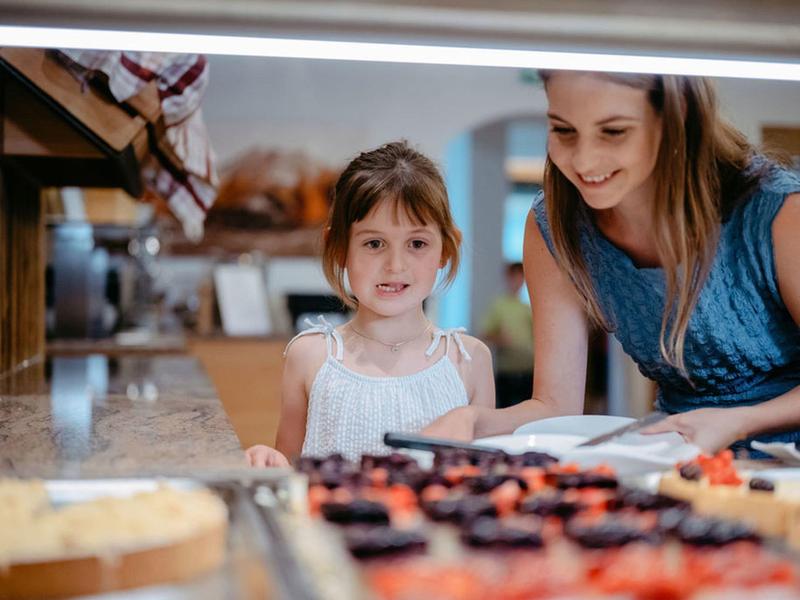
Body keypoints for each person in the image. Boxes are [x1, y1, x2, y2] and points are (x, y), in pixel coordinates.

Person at [423, 71, 800, 456]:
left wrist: (741, 420)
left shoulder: (777, 210)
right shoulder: (553, 226)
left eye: (614, 131)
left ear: (676, 118)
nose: (585, 160)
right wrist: (473, 419)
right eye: (564, 131)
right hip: (679, 463)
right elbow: (554, 406)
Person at [246, 141, 494, 466]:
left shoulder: (469, 359)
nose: (395, 265)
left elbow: (486, 478)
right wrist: (268, 460)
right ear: (339, 248)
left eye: (417, 243)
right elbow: (291, 469)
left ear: (446, 249)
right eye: (374, 243)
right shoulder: (310, 356)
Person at [480, 262, 534, 408]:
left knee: (528, 412)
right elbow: (485, 334)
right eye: (514, 276)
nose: (518, 281)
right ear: (508, 277)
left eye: (521, 277)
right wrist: (499, 339)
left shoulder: (527, 307)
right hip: (507, 370)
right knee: (505, 409)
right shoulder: (498, 305)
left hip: (528, 368)